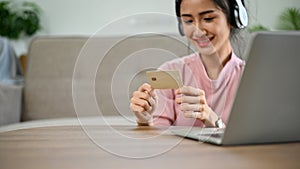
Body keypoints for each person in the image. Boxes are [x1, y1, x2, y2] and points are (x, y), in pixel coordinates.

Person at [130, 0, 248, 127]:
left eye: (208, 19)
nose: (197, 31)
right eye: (188, 21)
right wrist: (146, 121)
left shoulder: (253, 76)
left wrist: (213, 120)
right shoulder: (169, 71)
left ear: (235, 18)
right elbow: (159, 138)